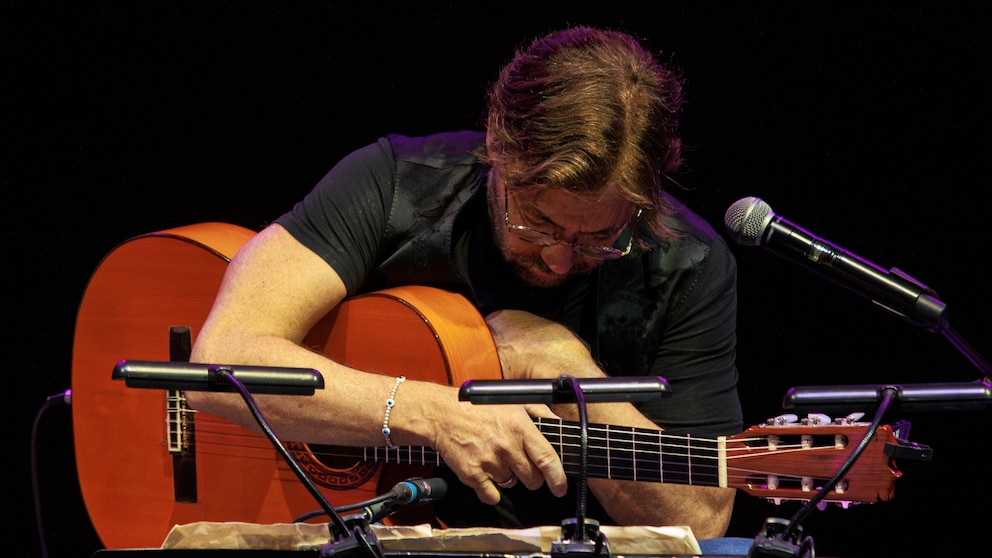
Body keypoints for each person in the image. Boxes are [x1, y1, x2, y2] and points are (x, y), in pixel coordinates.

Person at [187, 25, 744, 543]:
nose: (557, 259)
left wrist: (571, 372)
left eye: (598, 237)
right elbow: (219, 358)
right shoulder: (397, 186)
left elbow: (701, 521)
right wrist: (433, 416)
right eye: (537, 223)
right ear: (497, 147)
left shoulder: (687, 266)